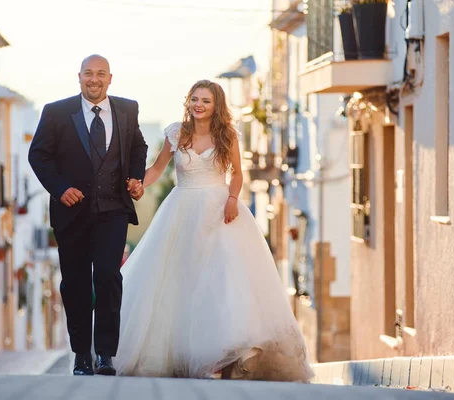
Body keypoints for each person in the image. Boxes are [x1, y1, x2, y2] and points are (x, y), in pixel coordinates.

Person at [114, 80, 314, 381]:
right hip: (180, 209)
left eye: (205, 101)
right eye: (194, 99)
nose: (198, 105)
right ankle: (179, 355)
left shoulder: (227, 135)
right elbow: (157, 168)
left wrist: (233, 200)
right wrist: (141, 185)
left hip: (220, 211)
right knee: (180, 281)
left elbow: (237, 174)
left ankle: (230, 356)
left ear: (216, 105)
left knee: (223, 282)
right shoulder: (175, 133)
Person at [28, 54, 147, 376]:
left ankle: (106, 354)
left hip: (113, 209)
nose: (94, 79)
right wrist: (60, 188)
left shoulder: (127, 109)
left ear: (110, 78)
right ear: (79, 76)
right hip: (72, 212)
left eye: (101, 74)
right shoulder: (56, 112)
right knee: (76, 283)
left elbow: (138, 147)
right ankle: (82, 354)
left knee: (108, 275)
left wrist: (136, 178)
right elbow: (38, 154)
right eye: (88, 74)